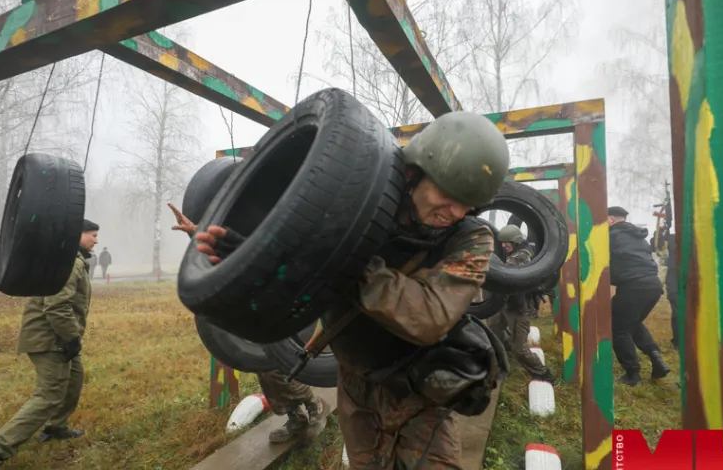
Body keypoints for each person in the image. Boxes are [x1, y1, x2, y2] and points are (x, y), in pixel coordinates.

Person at [191, 110, 510, 469]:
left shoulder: (471, 238)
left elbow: (429, 316)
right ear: (413, 173)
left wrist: (338, 257)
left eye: (468, 203)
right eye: (448, 193)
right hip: (357, 384)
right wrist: (253, 252)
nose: (455, 211)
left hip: (422, 392)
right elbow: (299, 266)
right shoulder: (360, 208)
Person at [167, 203, 329, 444]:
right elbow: (234, 249)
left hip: (289, 302)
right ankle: (295, 417)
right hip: (259, 304)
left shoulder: (287, 218)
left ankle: (314, 405)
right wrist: (195, 231)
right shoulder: (251, 222)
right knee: (262, 365)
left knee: (277, 364)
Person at [0, 219, 100, 470]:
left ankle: (55, 428)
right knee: (49, 395)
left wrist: (72, 339)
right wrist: (71, 338)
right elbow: (56, 306)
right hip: (50, 339)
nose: (96, 240)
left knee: (74, 378)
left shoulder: (73, 260)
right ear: (75, 236)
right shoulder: (69, 263)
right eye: (91, 235)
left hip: (58, 336)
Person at [607, 206, 670, 386]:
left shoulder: (611, 237)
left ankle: (632, 374)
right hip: (653, 285)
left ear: (611, 219)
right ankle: (656, 359)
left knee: (619, 329)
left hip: (633, 287)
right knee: (632, 323)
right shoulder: (638, 237)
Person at [488, 224, 556, 384]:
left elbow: (506, 276)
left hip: (519, 308)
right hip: (508, 303)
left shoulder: (522, 256)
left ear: (516, 241)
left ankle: (544, 374)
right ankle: (503, 362)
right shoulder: (514, 252)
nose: (504, 246)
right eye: (502, 242)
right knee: (494, 332)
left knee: (520, 348)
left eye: (507, 243)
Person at [665, 233, 679, 351]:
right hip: (675, 277)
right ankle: (678, 342)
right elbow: (657, 246)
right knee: (677, 310)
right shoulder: (671, 237)